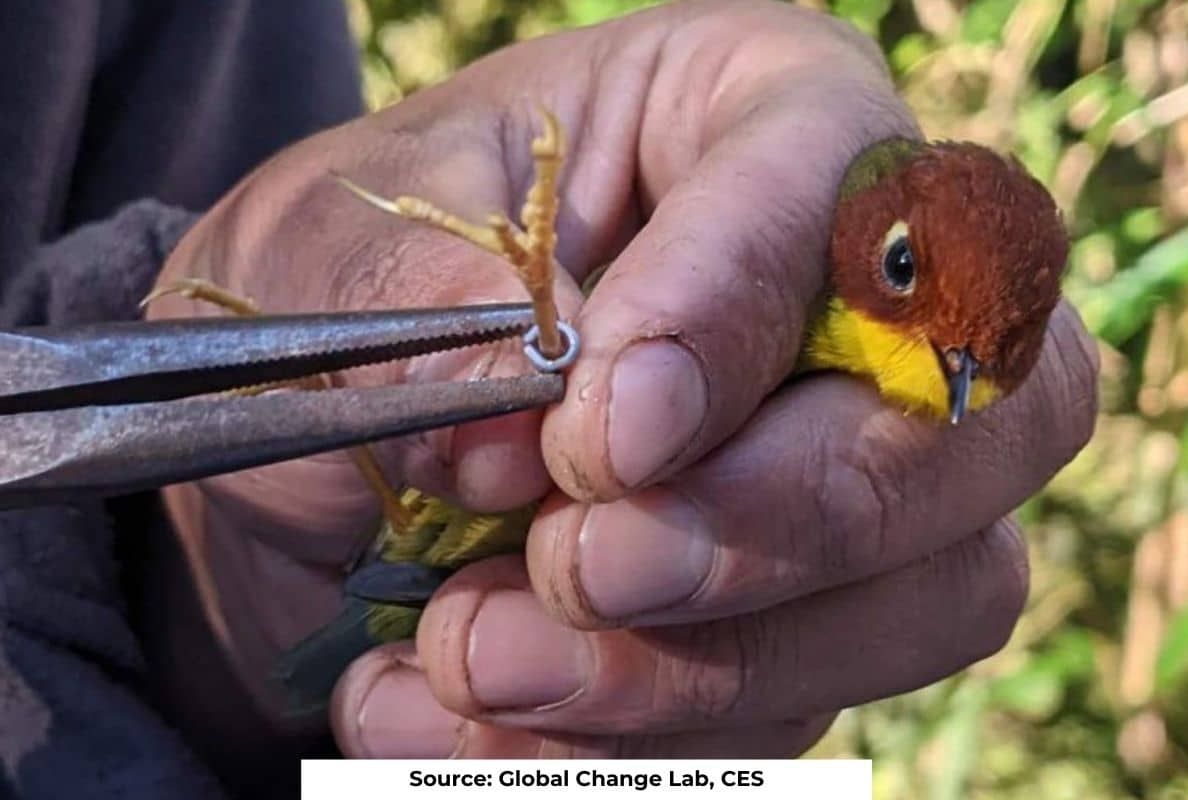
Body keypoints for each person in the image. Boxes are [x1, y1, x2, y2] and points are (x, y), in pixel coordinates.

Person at [0, 0, 1098, 797]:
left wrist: (192, 579)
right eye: (906, 277)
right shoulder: (807, 293)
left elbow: (126, 423)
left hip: (341, 587)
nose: (950, 371)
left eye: (988, 356)